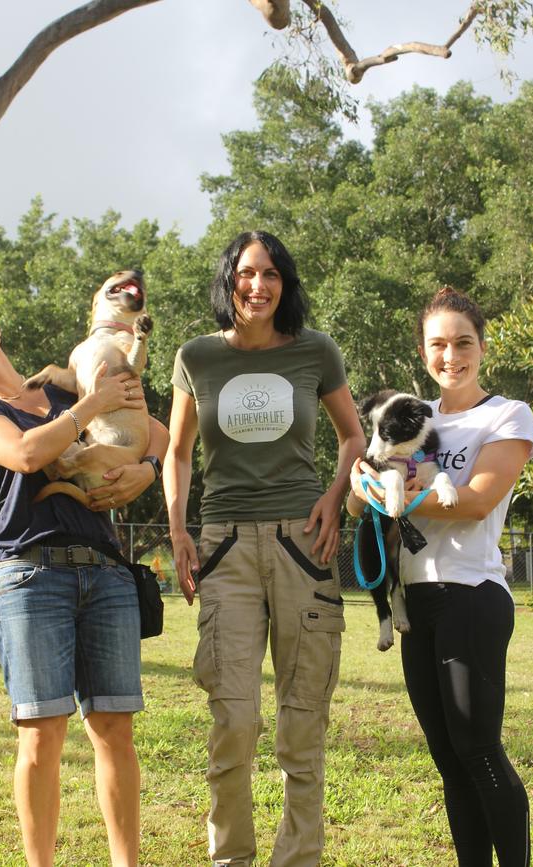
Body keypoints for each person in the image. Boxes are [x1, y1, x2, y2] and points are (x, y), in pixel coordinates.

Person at [0, 301, 169, 867]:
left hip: (107, 573)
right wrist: (95, 404)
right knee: (41, 735)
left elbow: (159, 432)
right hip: (29, 578)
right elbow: (26, 453)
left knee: (114, 729)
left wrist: (148, 470)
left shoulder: (66, 391)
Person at [163, 231, 365, 867]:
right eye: (247, 273)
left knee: (302, 723)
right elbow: (176, 453)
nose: (259, 285)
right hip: (225, 551)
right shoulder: (197, 356)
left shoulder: (315, 352)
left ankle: (298, 858)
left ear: (286, 284)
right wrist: (177, 529)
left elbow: (354, 437)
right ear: (229, 281)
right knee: (235, 720)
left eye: (272, 273)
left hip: (303, 545)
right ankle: (233, 859)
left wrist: (335, 496)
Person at [348, 286, 533, 867]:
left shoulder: (506, 415)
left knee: (478, 750)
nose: (450, 355)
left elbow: (478, 501)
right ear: (423, 351)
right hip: (417, 606)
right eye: (437, 344)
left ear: (482, 347)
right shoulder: (406, 416)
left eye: (463, 342)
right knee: (448, 759)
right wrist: (362, 490)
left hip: (471, 596)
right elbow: (361, 504)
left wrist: (394, 494)